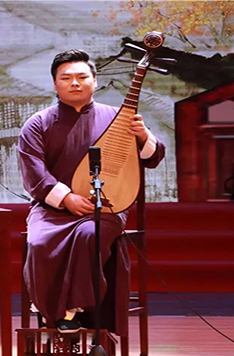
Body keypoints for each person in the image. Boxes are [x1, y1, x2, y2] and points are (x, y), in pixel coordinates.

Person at [18, 50, 165, 335]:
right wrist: (66, 199)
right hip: (52, 209)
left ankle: (70, 311)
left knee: (89, 234)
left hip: (105, 206)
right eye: (66, 78)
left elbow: (153, 157)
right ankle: (48, 309)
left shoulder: (117, 118)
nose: (75, 83)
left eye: (82, 77)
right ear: (55, 84)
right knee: (39, 243)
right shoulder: (38, 123)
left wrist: (143, 135)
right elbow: (33, 172)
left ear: (95, 81)